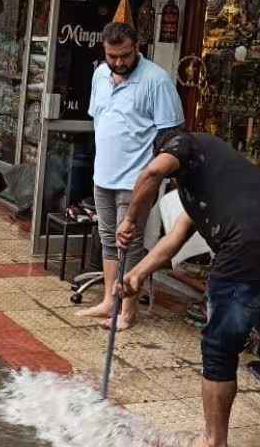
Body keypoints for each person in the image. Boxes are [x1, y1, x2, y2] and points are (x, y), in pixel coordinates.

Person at [118, 129, 260, 447]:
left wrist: (130, 220)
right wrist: (137, 274)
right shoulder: (218, 180)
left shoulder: (186, 143)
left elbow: (153, 172)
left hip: (244, 251)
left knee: (220, 348)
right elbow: (173, 240)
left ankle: (213, 440)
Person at [77, 21, 184, 331]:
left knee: (130, 244)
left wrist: (157, 176)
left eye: (125, 55)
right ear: (104, 51)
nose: (119, 62)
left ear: (137, 47)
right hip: (104, 175)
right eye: (113, 56)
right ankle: (110, 301)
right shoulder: (99, 74)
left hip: (137, 180)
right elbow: (100, 120)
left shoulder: (157, 80)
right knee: (109, 240)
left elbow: (172, 135)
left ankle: (128, 310)